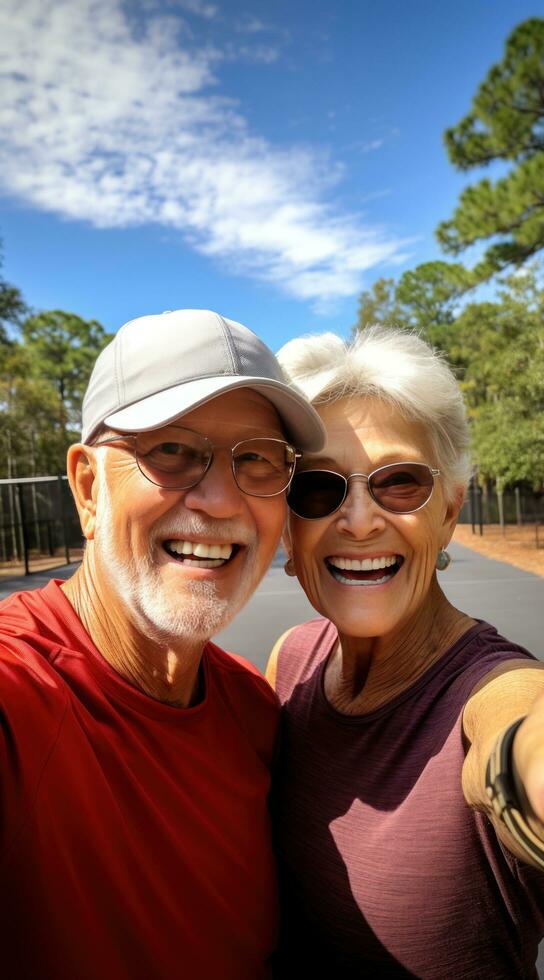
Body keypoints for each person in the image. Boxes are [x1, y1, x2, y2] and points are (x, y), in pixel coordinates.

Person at [0, 308, 325, 979]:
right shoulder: (21, 693)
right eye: (171, 450)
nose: (218, 498)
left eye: (257, 459)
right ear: (88, 488)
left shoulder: (254, 712)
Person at [267, 326, 544, 979]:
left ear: (448, 511)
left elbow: (523, 729)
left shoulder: (491, 688)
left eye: (398, 483)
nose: (360, 520)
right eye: (316, 489)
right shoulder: (290, 662)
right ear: (286, 527)